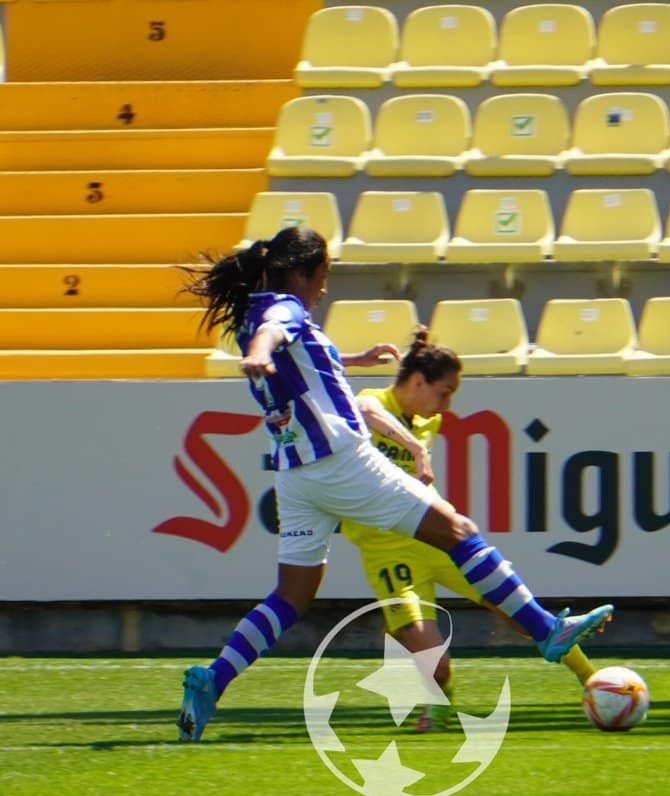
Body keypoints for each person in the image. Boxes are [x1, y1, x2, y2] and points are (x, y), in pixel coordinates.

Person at [177, 226, 612, 742]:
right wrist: (261, 352)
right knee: (456, 529)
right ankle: (546, 630)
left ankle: (212, 678)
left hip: (296, 477)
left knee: (291, 596)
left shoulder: (256, 309)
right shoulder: (280, 312)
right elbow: (277, 329)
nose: (323, 288)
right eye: (324, 276)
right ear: (303, 272)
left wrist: (351, 361)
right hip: (342, 463)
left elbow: (300, 364)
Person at [342, 328, 596, 731]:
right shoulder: (375, 401)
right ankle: (441, 700)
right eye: (445, 392)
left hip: (436, 540)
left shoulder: (431, 419)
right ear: (418, 381)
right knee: (437, 667)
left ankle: (591, 679)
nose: (448, 404)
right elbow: (363, 410)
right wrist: (415, 448)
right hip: (386, 554)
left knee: (516, 613)